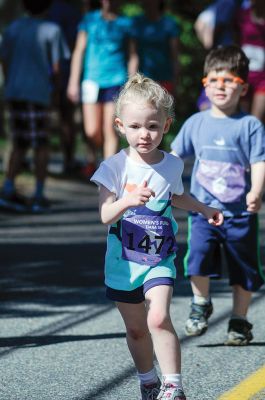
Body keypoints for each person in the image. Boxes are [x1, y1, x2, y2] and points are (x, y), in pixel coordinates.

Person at [90, 73, 223, 400]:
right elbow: (106, 215)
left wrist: (204, 209)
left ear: (166, 125)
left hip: (159, 258)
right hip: (123, 262)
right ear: (120, 126)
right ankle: (148, 380)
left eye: (152, 126)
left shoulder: (172, 165)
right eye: (135, 127)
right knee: (136, 329)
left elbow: (175, 196)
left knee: (159, 317)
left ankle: (173, 385)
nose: (144, 134)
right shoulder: (113, 168)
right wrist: (128, 200)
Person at [171, 45, 265, 346]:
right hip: (203, 211)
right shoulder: (196, 123)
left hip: (239, 214)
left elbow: (259, 162)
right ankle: (201, 303)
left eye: (229, 81)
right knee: (197, 259)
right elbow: (174, 157)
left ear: (244, 88)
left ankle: (239, 319)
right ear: (205, 84)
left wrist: (256, 191)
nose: (220, 87)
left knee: (244, 268)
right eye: (213, 80)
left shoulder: (250, 125)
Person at [0, 0, 69, 213]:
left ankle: (8, 187)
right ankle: (38, 193)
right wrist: (56, 93)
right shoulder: (52, 30)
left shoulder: (13, 28)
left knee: (19, 142)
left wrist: (11, 78)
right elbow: (57, 66)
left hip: (15, 91)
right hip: (38, 93)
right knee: (41, 144)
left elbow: (3, 58)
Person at [67, 0, 138, 178]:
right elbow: (78, 51)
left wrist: (132, 83)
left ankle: (109, 175)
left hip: (116, 80)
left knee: (110, 129)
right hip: (91, 80)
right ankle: (94, 158)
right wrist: (73, 82)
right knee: (92, 131)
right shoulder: (89, 20)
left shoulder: (126, 23)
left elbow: (132, 55)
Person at [47, 0, 82, 174]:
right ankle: (68, 160)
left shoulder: (51, 9)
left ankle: (66, 160)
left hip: (52, 71)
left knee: (62, 119)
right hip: (63, 71)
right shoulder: (72, 10)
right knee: (66, 119)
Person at [131, 0, 180, 97]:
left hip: (165, 78)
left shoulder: (170, 24)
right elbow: (133, 55)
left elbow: (175, 55)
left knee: (165, 110)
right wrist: (131, 81)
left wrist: (176, 80)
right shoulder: (136, 23)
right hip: (142, 80)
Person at [236, 0, 265, 124]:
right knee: (241, 119)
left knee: (256, 121)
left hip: (263, 76)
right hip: (244, 73)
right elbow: (235, 37)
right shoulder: (243, 14)